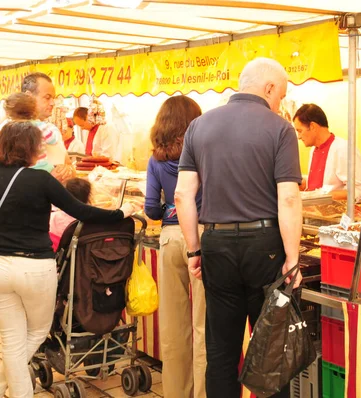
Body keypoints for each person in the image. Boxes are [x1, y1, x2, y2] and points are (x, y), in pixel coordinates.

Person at [175, 57, 302, 398]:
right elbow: (288, 198)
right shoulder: (280, 129)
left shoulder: (199, 126)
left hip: (215, 242)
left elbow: (182, 195)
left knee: (220, 350)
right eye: (281, 96)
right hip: (266, 245)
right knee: (270, 348)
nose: (279, 104)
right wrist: (293, 257)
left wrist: (194, 249)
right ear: (269, 88)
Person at [0, 121, 136, 398]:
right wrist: (121, 213)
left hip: (1, 266)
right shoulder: (40, 179)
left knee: (11, 341)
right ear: (30, 147)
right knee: (37, 333)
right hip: (35, 267)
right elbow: (83, 212)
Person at [144, 96, 206, 398]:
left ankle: (175, 393)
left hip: (169, 238)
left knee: (173, 325)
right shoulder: (205, 152)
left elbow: (151, 210)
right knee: (204, 326)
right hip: (203, 236)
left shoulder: (155, 160)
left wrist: (169, 207)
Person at [293, 103, 361, 202]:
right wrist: (304, 182)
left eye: (300, 131)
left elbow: (359, 190)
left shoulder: (344, 148)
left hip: (334, 215)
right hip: (313, 213)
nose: (298, 137)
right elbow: (325, 183)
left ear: (312, 126)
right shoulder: (313, 150)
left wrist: (324, 196)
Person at [21, 72, 74, 182]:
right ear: (28, 96)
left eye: (53, 98)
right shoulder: (10, 131)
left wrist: (67, 170)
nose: (52, 103)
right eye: (47, 97)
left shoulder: (51, 130)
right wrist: (45, 180)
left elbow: (69, 166)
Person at [3, 93, 66, 173]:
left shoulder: (9, 129)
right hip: (42, 167)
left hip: (19, 169)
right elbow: (53, 140)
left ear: (10, 113)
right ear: (33, 109)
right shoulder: (41, 126)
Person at [49, 178, 92, 251]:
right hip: (81, 257)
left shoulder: (52, 217)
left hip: (57, 255)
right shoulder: (91, 222)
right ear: (87, 197)